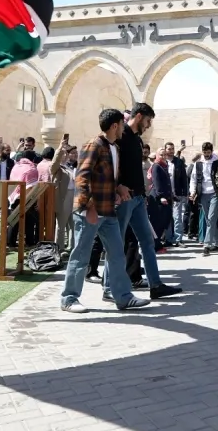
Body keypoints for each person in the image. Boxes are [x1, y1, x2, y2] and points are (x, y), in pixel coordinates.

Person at [60, 109, 150, 313]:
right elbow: (82, 177)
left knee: (117, 254)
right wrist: (89, 206)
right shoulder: (94, 145)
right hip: (90, 212)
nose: (124, 127)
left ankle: (123, 297)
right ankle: (69, 298)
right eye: (122, 123)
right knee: (80, 256)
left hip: (108, 211)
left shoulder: (114, 147)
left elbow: (110, 177)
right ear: (115, 126)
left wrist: (119, 188)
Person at [114, 104, 181, 300]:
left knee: (148, 242)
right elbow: (114, 165)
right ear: (140, 116)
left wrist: (142, 195)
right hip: (125, 198)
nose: (149, 125)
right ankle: (110, 287)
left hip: (137, 198)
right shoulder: (121, 136)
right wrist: (118, 187)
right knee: (115, 244)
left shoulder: (136, 139)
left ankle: (156, 285)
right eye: (148, 121)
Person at [189, 142, 218, 256]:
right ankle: (217, 243)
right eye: (205, 153)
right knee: (209, 220)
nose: (206, 155)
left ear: (212, 151)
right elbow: (194, 179)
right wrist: (193, 191)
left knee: (211, 218)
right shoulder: (198, 163)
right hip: (203, 194)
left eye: (208, 152)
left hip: (215, 193)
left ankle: (207, 245)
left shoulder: (217, 162)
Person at [165, 142, 188, 245]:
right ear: (165, 150)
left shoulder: (178, 162)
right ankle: (168, 238)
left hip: (177, 193)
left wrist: (185, 193)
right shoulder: (163, 162)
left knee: (177, 217)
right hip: (166, 195)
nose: (171, 151)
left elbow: (184, 178)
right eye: (169, 149)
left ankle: (178, 238)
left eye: (172, 149)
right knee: (167, 217)